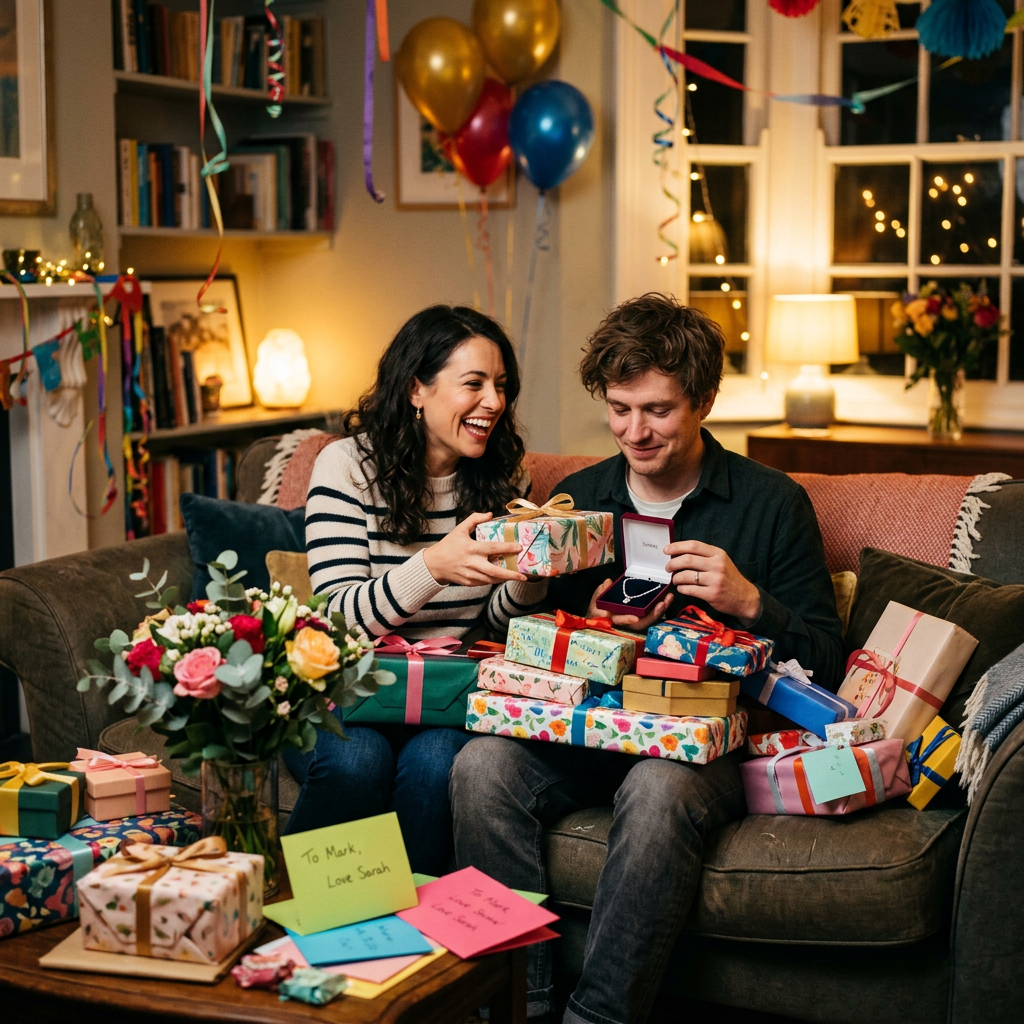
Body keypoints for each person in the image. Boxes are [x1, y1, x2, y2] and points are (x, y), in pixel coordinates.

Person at [451, 293, 844, 1023]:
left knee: (659, 788)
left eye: (657, 410)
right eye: (620, 407)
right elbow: (520, 643)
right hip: (590, 729)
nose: (636, 430)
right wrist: (578, 619)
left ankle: (597, 1018)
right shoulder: (578, 499)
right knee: (480, 766)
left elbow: (827, 658)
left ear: (703, 400)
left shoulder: (771, 503)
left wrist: (751, 601)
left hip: (704, 742)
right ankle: (514, 1004)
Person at [283, 305, 547, 874]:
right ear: (416, 389)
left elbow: (497, 624)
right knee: (358, 763)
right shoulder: (346, 466)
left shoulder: (506, 479)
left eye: (501, 386)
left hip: (444, 702)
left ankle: (415, 943)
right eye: (473, 383)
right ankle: (305, 913)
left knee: (435, 766)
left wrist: (530, 579)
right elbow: (336, 621)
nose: (494, 403)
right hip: (346, 692)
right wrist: (433, 566)